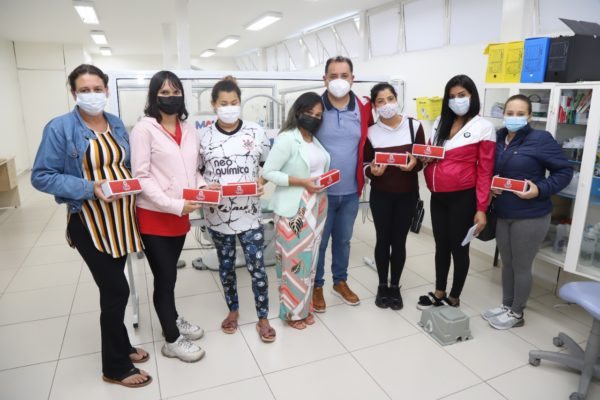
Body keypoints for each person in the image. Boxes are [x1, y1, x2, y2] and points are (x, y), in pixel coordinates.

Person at [31, 64, 151, 388]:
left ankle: (122, 346)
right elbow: (41, 176)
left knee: (112, 291)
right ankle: (115, 367)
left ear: (107, 91)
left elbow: (124, 164)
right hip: (89, 221)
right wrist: (90, 188)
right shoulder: (60, 128)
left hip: (120, 220)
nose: (92, 95)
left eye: (97, 89)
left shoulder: (115, 123)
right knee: (117, 290)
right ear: (74, 93)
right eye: (84, 90)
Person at [130, 70, 210, 362]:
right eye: (164, 93)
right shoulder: (144, 129)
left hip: (181, 214)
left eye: (176, 92)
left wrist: (203, 188)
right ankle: (172, 340)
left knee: (171, 276)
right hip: (155, 215)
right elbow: (141, 176)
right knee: (164, 277)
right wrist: (173, 204)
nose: (171, 97)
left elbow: (194, 170)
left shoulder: (189, 129)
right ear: (154, 96)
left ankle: (172, 318)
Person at [482, 94, 572, 329]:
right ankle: (506, 305)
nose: (514, 118)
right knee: (507, 262)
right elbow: (488, 168)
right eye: (510, 113)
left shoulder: (540, 139)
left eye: (520, 114)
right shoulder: (497, 137)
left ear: (530, 116)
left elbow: (564, 172)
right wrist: (490, 185)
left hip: (531, 214)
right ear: (503, 114)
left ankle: (517, 313)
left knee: (521, 265)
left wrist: (539, 189)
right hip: (503, 212)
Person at [198, 76, 276, 342]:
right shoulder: (204, 137)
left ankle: (263, 317)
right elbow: (196, 172)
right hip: (218, 215)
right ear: (214, 104)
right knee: (226, 267)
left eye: (234, 102)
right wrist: (204, 188)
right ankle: (233, 311)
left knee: (257, 268)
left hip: (250, 215)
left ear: (240, 103)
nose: (229, 107)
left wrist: (261, 182)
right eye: (223, 103)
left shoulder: (255, 132)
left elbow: (269, 166)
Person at [417, 74, 495, 310]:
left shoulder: (483, 127)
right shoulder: (441, 121)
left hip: (463, 197)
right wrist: (425, 157)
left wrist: (481, 208)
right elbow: (431, 152)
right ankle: (439, 291)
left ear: (472, 96)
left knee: (459, 248)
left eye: (462, 95)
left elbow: (485, 171)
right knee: (441, 246)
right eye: (452, 96)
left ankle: (454, 296)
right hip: (438, 196)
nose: (456, 100)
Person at [263, 92, 330, 330]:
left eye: (319, 115)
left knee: (310, 260)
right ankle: (292, 313)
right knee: (294, 262)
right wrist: (301, 182)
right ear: (298, 112)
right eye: (309, 113)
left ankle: (305, 307)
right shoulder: (287, 139)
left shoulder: (314, 140)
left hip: (318, 205)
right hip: (295, 208)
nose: (314, 118)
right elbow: (268, 172)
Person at [312, 56, 373, 313]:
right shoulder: (315, 107)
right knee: (319, 242)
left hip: (350, 191)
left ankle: (340, 282)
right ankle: (316, 285)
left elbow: (371, 143)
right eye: (333, 76)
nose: (339, 80)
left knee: (344, 241)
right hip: (320, 192)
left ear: (352, 78)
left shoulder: (363, 108)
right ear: (324, 79)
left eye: (344, 75)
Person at [363, 83, 425, 310]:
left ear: (397, 99)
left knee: (399, 242)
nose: (387, 104)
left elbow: (421, 161)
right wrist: (373, 172)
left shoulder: (414, 126)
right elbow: (365, 165)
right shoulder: (371, 132)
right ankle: (382, 285)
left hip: (407, 195)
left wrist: (414, 164)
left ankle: (395, 286)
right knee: (383, 240)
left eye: (390, 99)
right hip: (381, 195)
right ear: (374, 106)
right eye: (381, 101)